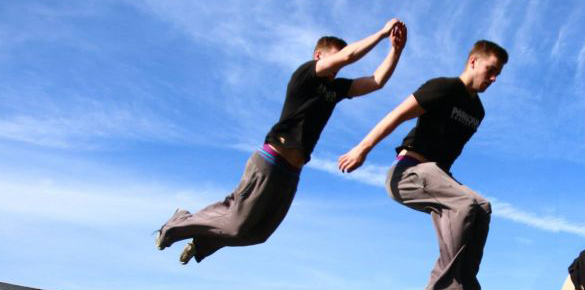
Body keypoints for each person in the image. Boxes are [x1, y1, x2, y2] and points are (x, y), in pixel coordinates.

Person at [156, 19, 407, 264]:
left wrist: (395, 51)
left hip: (291, 173)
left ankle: (202, 242)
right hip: (270, 161)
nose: (337, 68)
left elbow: (376, 81)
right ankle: (178, 224)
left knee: (258, 233)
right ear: (319, 56)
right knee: (236, 222)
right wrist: (381, 34)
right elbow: (349, 57)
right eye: (334, 59)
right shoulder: (306, 74)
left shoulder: (337, 89)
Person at [337, 40, 507, 290]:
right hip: (408, 172)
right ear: (473, 62)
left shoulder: (478, 112)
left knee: (482, 207)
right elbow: (397, 115)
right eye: (490, 70)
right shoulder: (443, 87)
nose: (493, 79)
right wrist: (362, 148)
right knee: (464, 204)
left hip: (436, 175)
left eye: (498, 74)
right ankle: (445, 289)